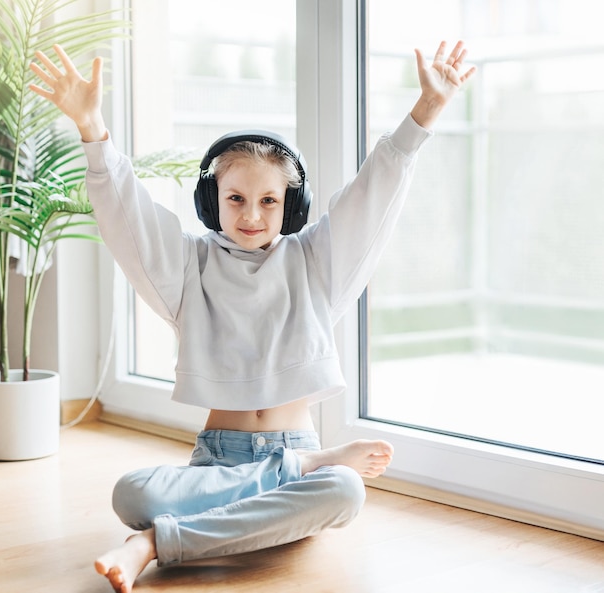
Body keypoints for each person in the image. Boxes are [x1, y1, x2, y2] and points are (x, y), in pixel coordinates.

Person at [30, 40, 475, 593]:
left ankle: (153, 544)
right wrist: (93, 129)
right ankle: (295, 478)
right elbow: (131, 221)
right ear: (210, 198)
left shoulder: (315, 262)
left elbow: (373, 195)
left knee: (346, 491)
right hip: (220, 463)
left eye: (269, 200)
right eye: (236, 197)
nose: (251, 214)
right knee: (132, 493)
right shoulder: (191, 266)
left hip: (299, 451)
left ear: (290, 205)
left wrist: (425, 112)